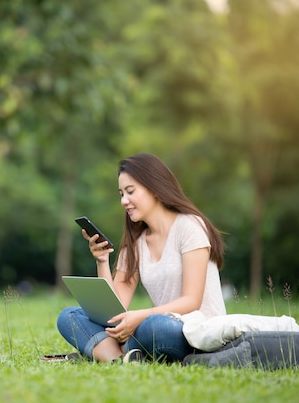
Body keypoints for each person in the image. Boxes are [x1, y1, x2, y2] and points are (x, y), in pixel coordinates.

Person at [56, 153, 226, 363]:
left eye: (130, 192)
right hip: (152, 328)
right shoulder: (135, 243)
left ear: (154, 188)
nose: (124, 201)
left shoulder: (190, 227)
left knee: (156, 326)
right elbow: (114, 310)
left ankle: (106, 352)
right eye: (121, 194)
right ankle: (121, 360)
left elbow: (192, 301)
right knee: (69, 316)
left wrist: (140, 317)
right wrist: (102, 261)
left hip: (194, 332)